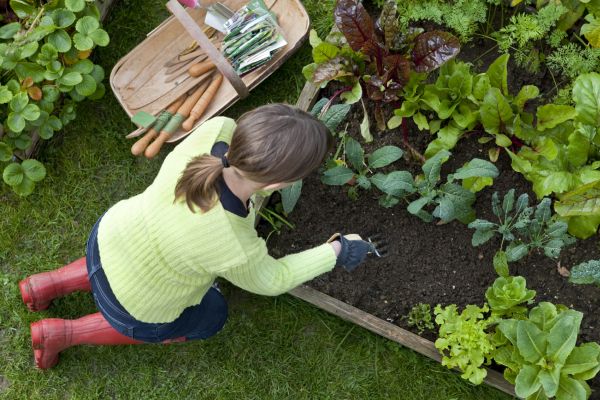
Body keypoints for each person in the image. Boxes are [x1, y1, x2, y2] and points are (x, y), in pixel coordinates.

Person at [19, 103, 376, 369]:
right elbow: (274, 279)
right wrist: (336, 251)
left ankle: (45, 285)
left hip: (109, 236)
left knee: (124, 260)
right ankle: (61, 334)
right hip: (134, 305)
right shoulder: (234, 244)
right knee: (212, 314)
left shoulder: (216, 131)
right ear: (278, 185)